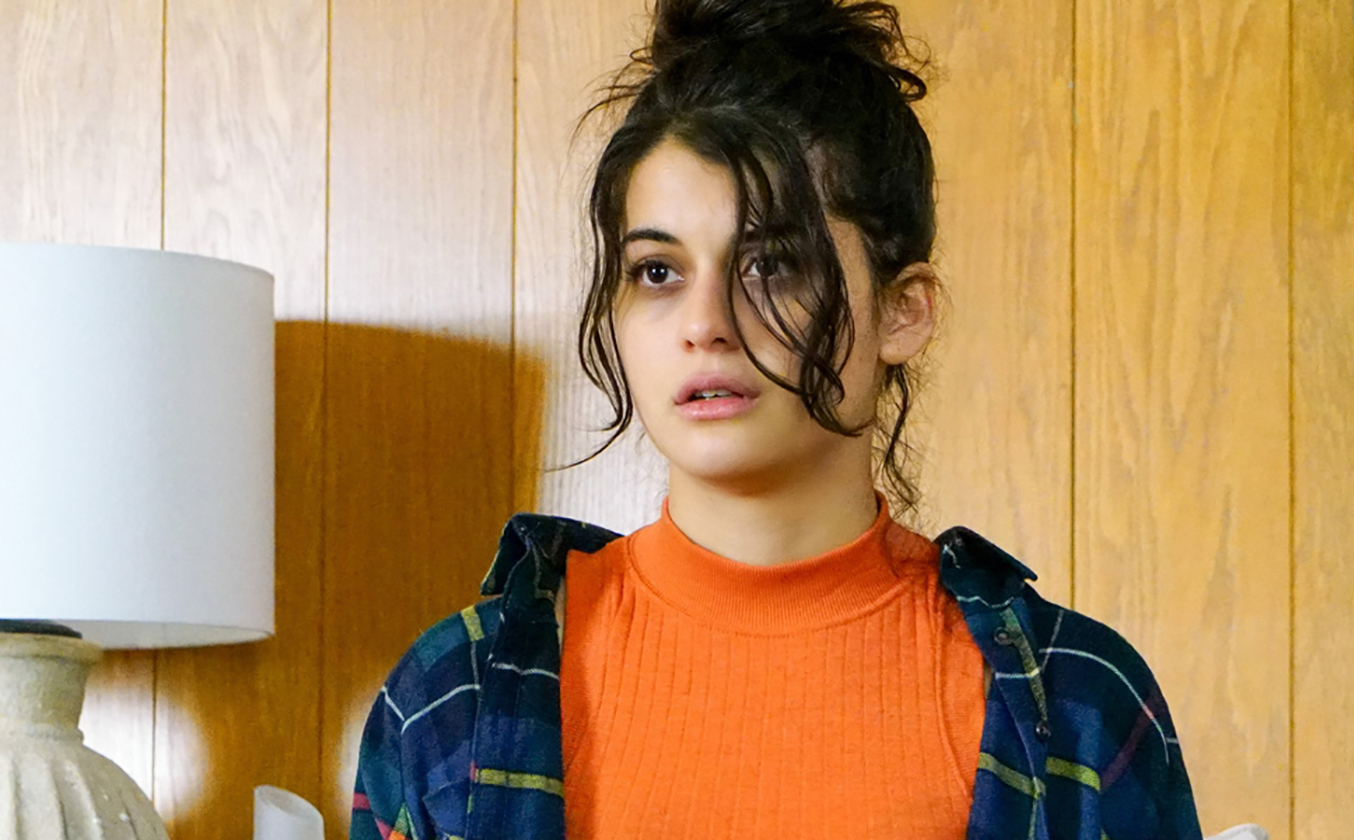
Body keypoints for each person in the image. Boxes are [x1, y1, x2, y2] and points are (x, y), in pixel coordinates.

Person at [349, 0, 1203, 837]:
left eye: (773, 264)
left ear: (902, 310)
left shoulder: (1079, 704)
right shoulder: (452, 699)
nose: (705, 322)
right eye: (657, 271)